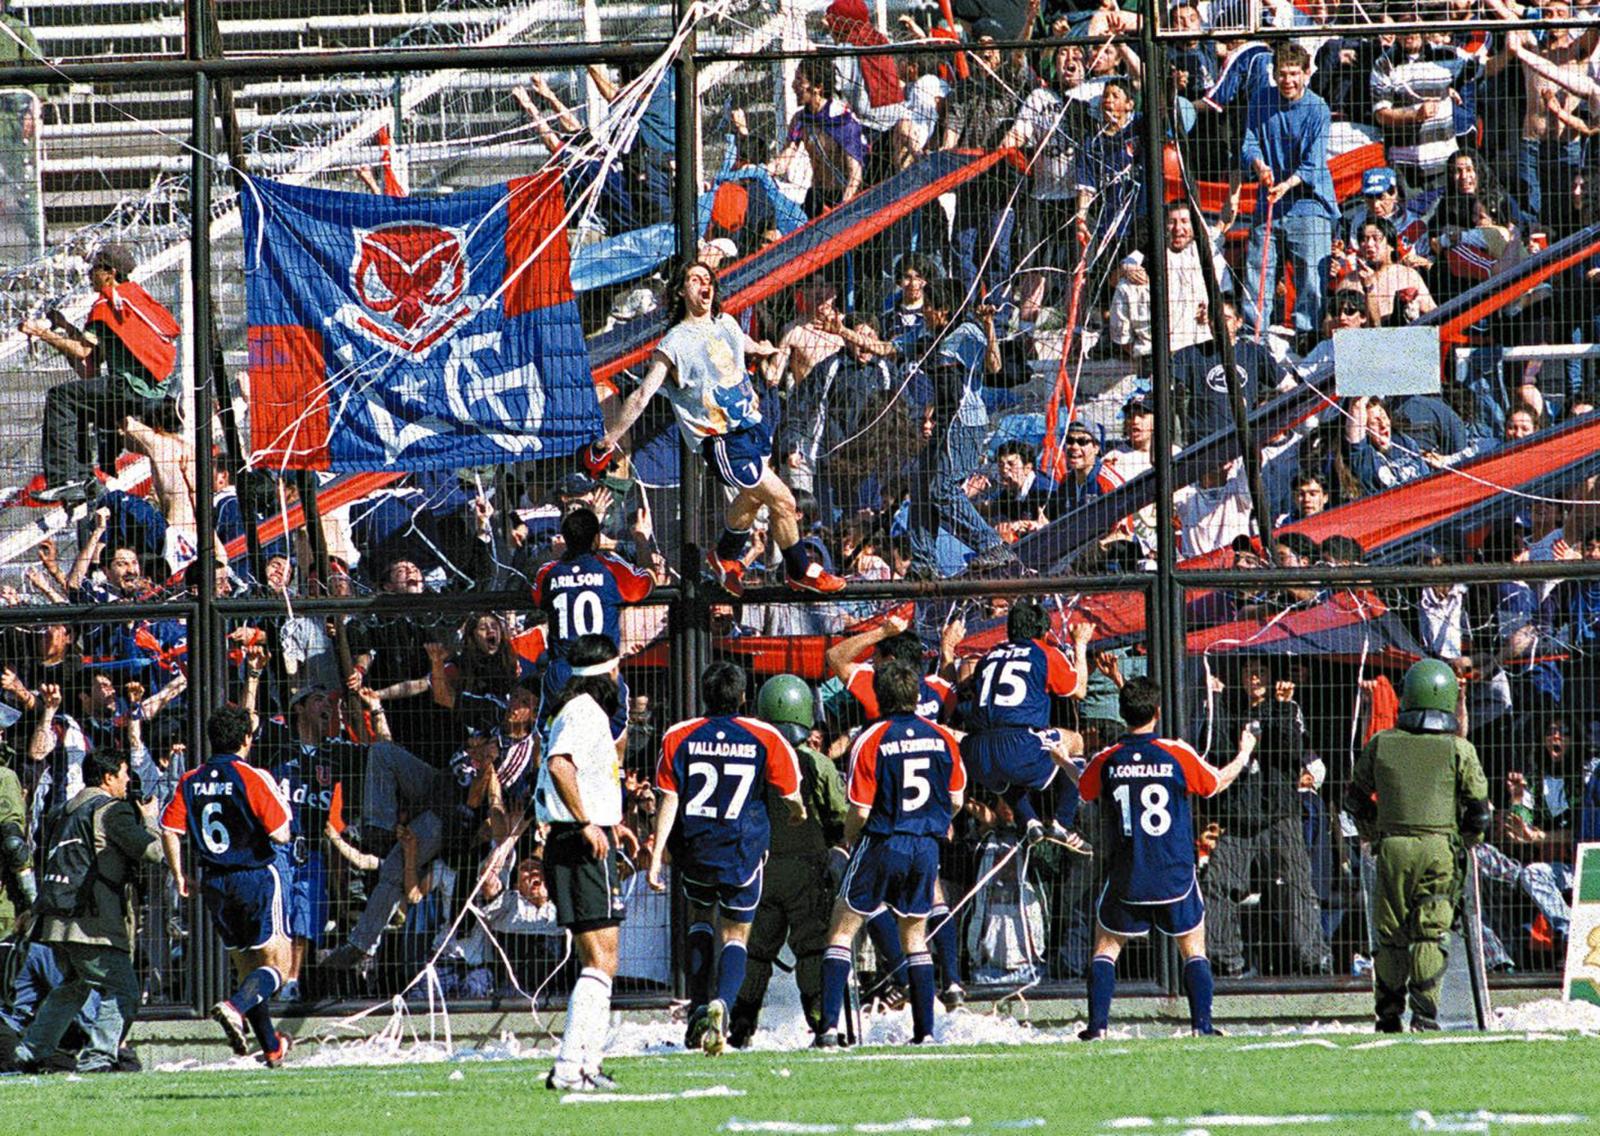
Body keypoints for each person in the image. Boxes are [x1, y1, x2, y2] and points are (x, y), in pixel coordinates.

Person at [584, 260, 845, 597]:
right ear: (681, 291)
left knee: (752, 499)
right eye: (695, 279)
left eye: (708, 279)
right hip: (721, 440)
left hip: (752, 427)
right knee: (783, 499)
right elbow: (641, 396)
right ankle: (800, 569)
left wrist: (761, 348)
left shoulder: (726, 323)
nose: (704, 284)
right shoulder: (673, 343)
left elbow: (742, 345)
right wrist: (609, 439)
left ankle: (724, 556)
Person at [1075, 676, 1254, 1039]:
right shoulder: (1176, 752)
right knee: (1193, 949)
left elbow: (1084, 787)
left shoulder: (1107, 758)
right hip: (1174, 871)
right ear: (1158, 712)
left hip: (1129, 872)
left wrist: (1063, 760)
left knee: (1106, 948)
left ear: (1121, 713)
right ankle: (1201, 1026)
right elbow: (1215, 782)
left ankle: (1097, 1028)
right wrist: (1244, 753)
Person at [647, 661, 806, 1055]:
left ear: (705, 695)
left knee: (700, 920)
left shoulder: (678, 735)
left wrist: (654, 859)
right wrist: (798, 812)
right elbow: (790, 795)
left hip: (696, 850)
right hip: (742, 851)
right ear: (744, 697)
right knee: (736, 934)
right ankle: (723, 1005)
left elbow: (668, 799)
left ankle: (698, 1007)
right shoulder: (764, 735)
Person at [815, 660, 965, 1047]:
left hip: (883, 841)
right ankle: (926, 1032)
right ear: (917, 696)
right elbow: (957, 798)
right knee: (916, 936)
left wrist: (849, 839)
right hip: (925, 846)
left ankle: (828, 1029)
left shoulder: (871, 737)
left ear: (878, 697)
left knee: (842, 929)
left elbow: (860, 811)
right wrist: (935, 820)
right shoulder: (942, 737)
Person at [1345, 658, 1489, 1032]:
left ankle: (1388, 1016)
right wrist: (1468, 842)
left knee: (1390, 935)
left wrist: (1374, 833)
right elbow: (1479, 810)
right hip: (1439, 847)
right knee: (1429, 932)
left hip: (1392, 847)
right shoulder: (1459, 749)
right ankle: (1425, 1016)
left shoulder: (1381, 744)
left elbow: (1355, 799)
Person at [7, 749, 164, 1073]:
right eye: (124, 774)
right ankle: (99, 1058)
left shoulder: (63, 811)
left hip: (54, 919)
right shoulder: (112, 811)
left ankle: (31, 1050)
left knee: (74, 985)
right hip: (93, 923)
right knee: (123, 990)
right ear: (108, 777)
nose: (127, 781)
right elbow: (152, 851)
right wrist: (150, 820)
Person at [161, 706, 293, 1065]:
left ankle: (271, 1047)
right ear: (246, 739)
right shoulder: (251, 776)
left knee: (247, 969)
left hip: (213, 883)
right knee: (278, 966)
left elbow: (169, 828)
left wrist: (179, 874)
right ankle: (234, 1007)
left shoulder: (190, 779)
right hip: (253, 877)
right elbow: (281, 833)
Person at [726, 673, 850, 1047]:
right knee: (812, 947)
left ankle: (741, 1026)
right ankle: (820, 1024)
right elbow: (839, 817)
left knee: (756, 952)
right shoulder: (819, 764)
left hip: (760, 867)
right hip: (806, 870)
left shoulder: (753, 759)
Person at [534, 636, 631, 1091]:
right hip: (577, 841)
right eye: (617, 670)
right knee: (598, 957)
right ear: (606, 673)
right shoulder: (584, 712)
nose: (620, 678)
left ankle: (586, 1062)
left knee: (603, 958)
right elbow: (559, 766)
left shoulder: (580, 711)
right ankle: (571, 1065)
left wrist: (611, 822)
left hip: (587, 837)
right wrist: (589, 822)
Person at [20, 243, 180, 504]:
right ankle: (84, 480)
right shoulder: (131, 298)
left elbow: (83, 352)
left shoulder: (106, 303)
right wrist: (64, 327)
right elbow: (91, 367)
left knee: (60, 397)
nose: (90, 274)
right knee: (80, 404)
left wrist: (42, 333)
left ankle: (64, 480)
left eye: (95, 269)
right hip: (149, 392)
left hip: (130, 387)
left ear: (110, 273)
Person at [963, 599, 1093, 849]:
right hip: (1018, 743)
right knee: (1075, 741)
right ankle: (1062, 824)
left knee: (1005, 771)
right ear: (1044, 633)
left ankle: (1029, 820)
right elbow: (1079, 691)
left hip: (978, 753)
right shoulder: (1044, 651)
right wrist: (1080, 645)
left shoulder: (989, 655)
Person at [1239, 43, 1336, 349]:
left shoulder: (1317, 108)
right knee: (1258, 268)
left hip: (1309, 201)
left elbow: (1313, 163)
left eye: (1294, 74)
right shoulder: (1260, 99)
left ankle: (1308, 337)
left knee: (1310, 274)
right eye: (1282, 74)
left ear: (1306, 74)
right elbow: (1249, 142)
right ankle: (1253, 335)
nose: (1288, 81)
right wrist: (1260, 166)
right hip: (1270, 196)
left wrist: (1287, 183)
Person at [531, 505, 654, 725]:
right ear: (597, 539)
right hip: (602, 669)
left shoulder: (548, 572)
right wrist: (641, 539)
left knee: (553, 735)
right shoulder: (610, 567)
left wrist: (559, 559)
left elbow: (538, 598)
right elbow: (648, 580)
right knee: (612, 736)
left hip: (562, 671)